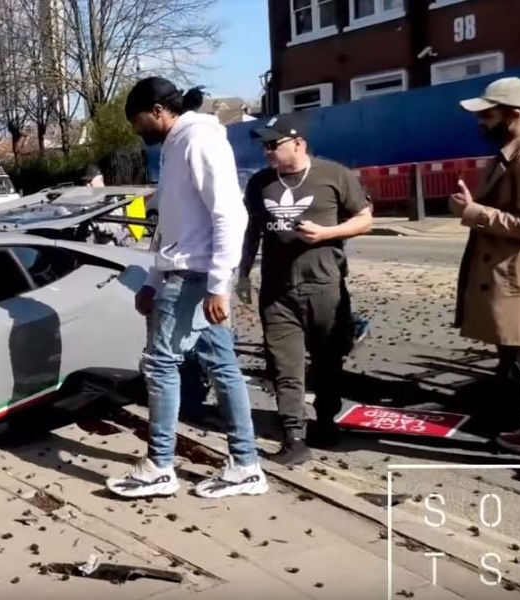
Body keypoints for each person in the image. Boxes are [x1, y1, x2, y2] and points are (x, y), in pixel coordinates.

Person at [105, 77, 267, 499]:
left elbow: (230, 215)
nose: (137, 130)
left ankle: (160, 466)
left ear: (158, 111)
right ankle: (246, 464)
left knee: (160, 364)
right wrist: (154, 280)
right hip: (185, 272)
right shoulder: (178, 145)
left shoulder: (198, 141)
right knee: (223, 366)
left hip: (196, 275)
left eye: (137, 121)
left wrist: (219, 285)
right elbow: (172, 226)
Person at [236, 114, 374, 466]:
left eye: (273, 144)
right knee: (284, 365)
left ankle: (326, 422)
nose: (266, 151)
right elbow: (252, 231)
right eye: (264, 145)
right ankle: (293, 435)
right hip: (277, 291)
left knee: (328, 362)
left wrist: (326, 234)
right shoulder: (260, 184)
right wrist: (242, 274)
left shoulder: (335, 176)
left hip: (323, 286)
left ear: (298, 143)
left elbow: (365, 219)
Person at [451, 77, 520, 483]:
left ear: (514, 114)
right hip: (511, 276)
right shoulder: (511, 153)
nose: (481, 121)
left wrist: (473, 212)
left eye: (488, 113)